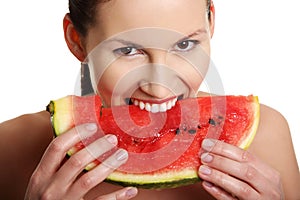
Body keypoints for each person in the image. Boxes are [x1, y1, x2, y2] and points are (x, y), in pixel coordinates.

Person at [0, 0, 299, 199]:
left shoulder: (266, 138)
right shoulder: (9, 148)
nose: (159, 88)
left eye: (185, 44)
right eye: (128, 51)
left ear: (211, 22)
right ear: (77, 40)